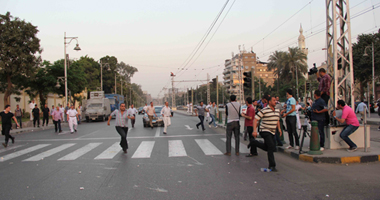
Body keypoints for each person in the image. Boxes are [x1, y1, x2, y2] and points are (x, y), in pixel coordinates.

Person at [248, 96, 282, 172]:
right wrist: (254, 130)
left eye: (275, 100)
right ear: (269, 102)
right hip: (265, 130)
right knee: (271, 147)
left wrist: (279, 129)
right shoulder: (264, 110)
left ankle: (254, 142)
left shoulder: (277, 110)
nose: (275, 102)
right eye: (273, 100)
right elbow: (255, 119)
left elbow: (277, 120)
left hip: (272, 131)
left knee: (269, 148)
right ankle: (272, 165)